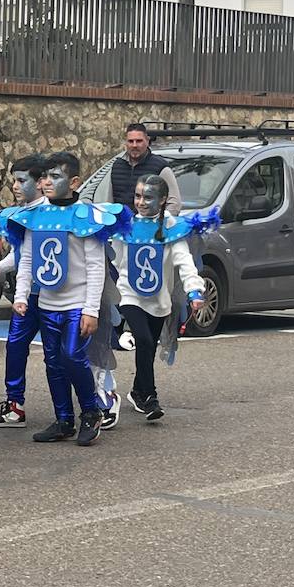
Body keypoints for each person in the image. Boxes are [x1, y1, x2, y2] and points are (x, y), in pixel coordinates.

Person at [13, 152, 127, 447]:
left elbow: (94, 265)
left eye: (56, 176)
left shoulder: (85, 217)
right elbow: (27, 259)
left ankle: (91, 412)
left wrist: (91, 310)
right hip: (47, 304)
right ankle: (63, 418)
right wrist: (21, 295)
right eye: (45, 176)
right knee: (53, 363)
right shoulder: (35, 216)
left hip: (77, 304)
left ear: (74, 181)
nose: (47, 182)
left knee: (73, 356)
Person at [110, 174, 215, 422]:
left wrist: (194, 290)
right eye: (137, 196)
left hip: (159, 300)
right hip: (130, 295)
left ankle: (137, 391)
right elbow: (115, 259)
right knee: (144, 341)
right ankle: (150, 397)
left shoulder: (171, 229)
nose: (141, 202)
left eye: (148, 197)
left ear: (163, 200)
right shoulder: (126, 227)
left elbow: (184, 262)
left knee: (148, 348)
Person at [0, 154, 50, 430]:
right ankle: (14, 406)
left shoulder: (50, 214)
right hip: (26, 296)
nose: (16, 186)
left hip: (52, 296)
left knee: (61, 355)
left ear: (40, 182)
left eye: (22, 180)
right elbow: (21, 256)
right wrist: (0, 265)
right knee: (15, 346)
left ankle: (84, 404)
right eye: (14, 181)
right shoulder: (19, 215)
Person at [101, 123, 182, 215]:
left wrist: (159, 225)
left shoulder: (160, 167)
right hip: (122, 227)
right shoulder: (117, 166)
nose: (134, 145)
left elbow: (174, 204)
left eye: (139, 141)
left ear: (147, 141)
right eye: (131, 141)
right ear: (126, 143)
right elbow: (110, 202)